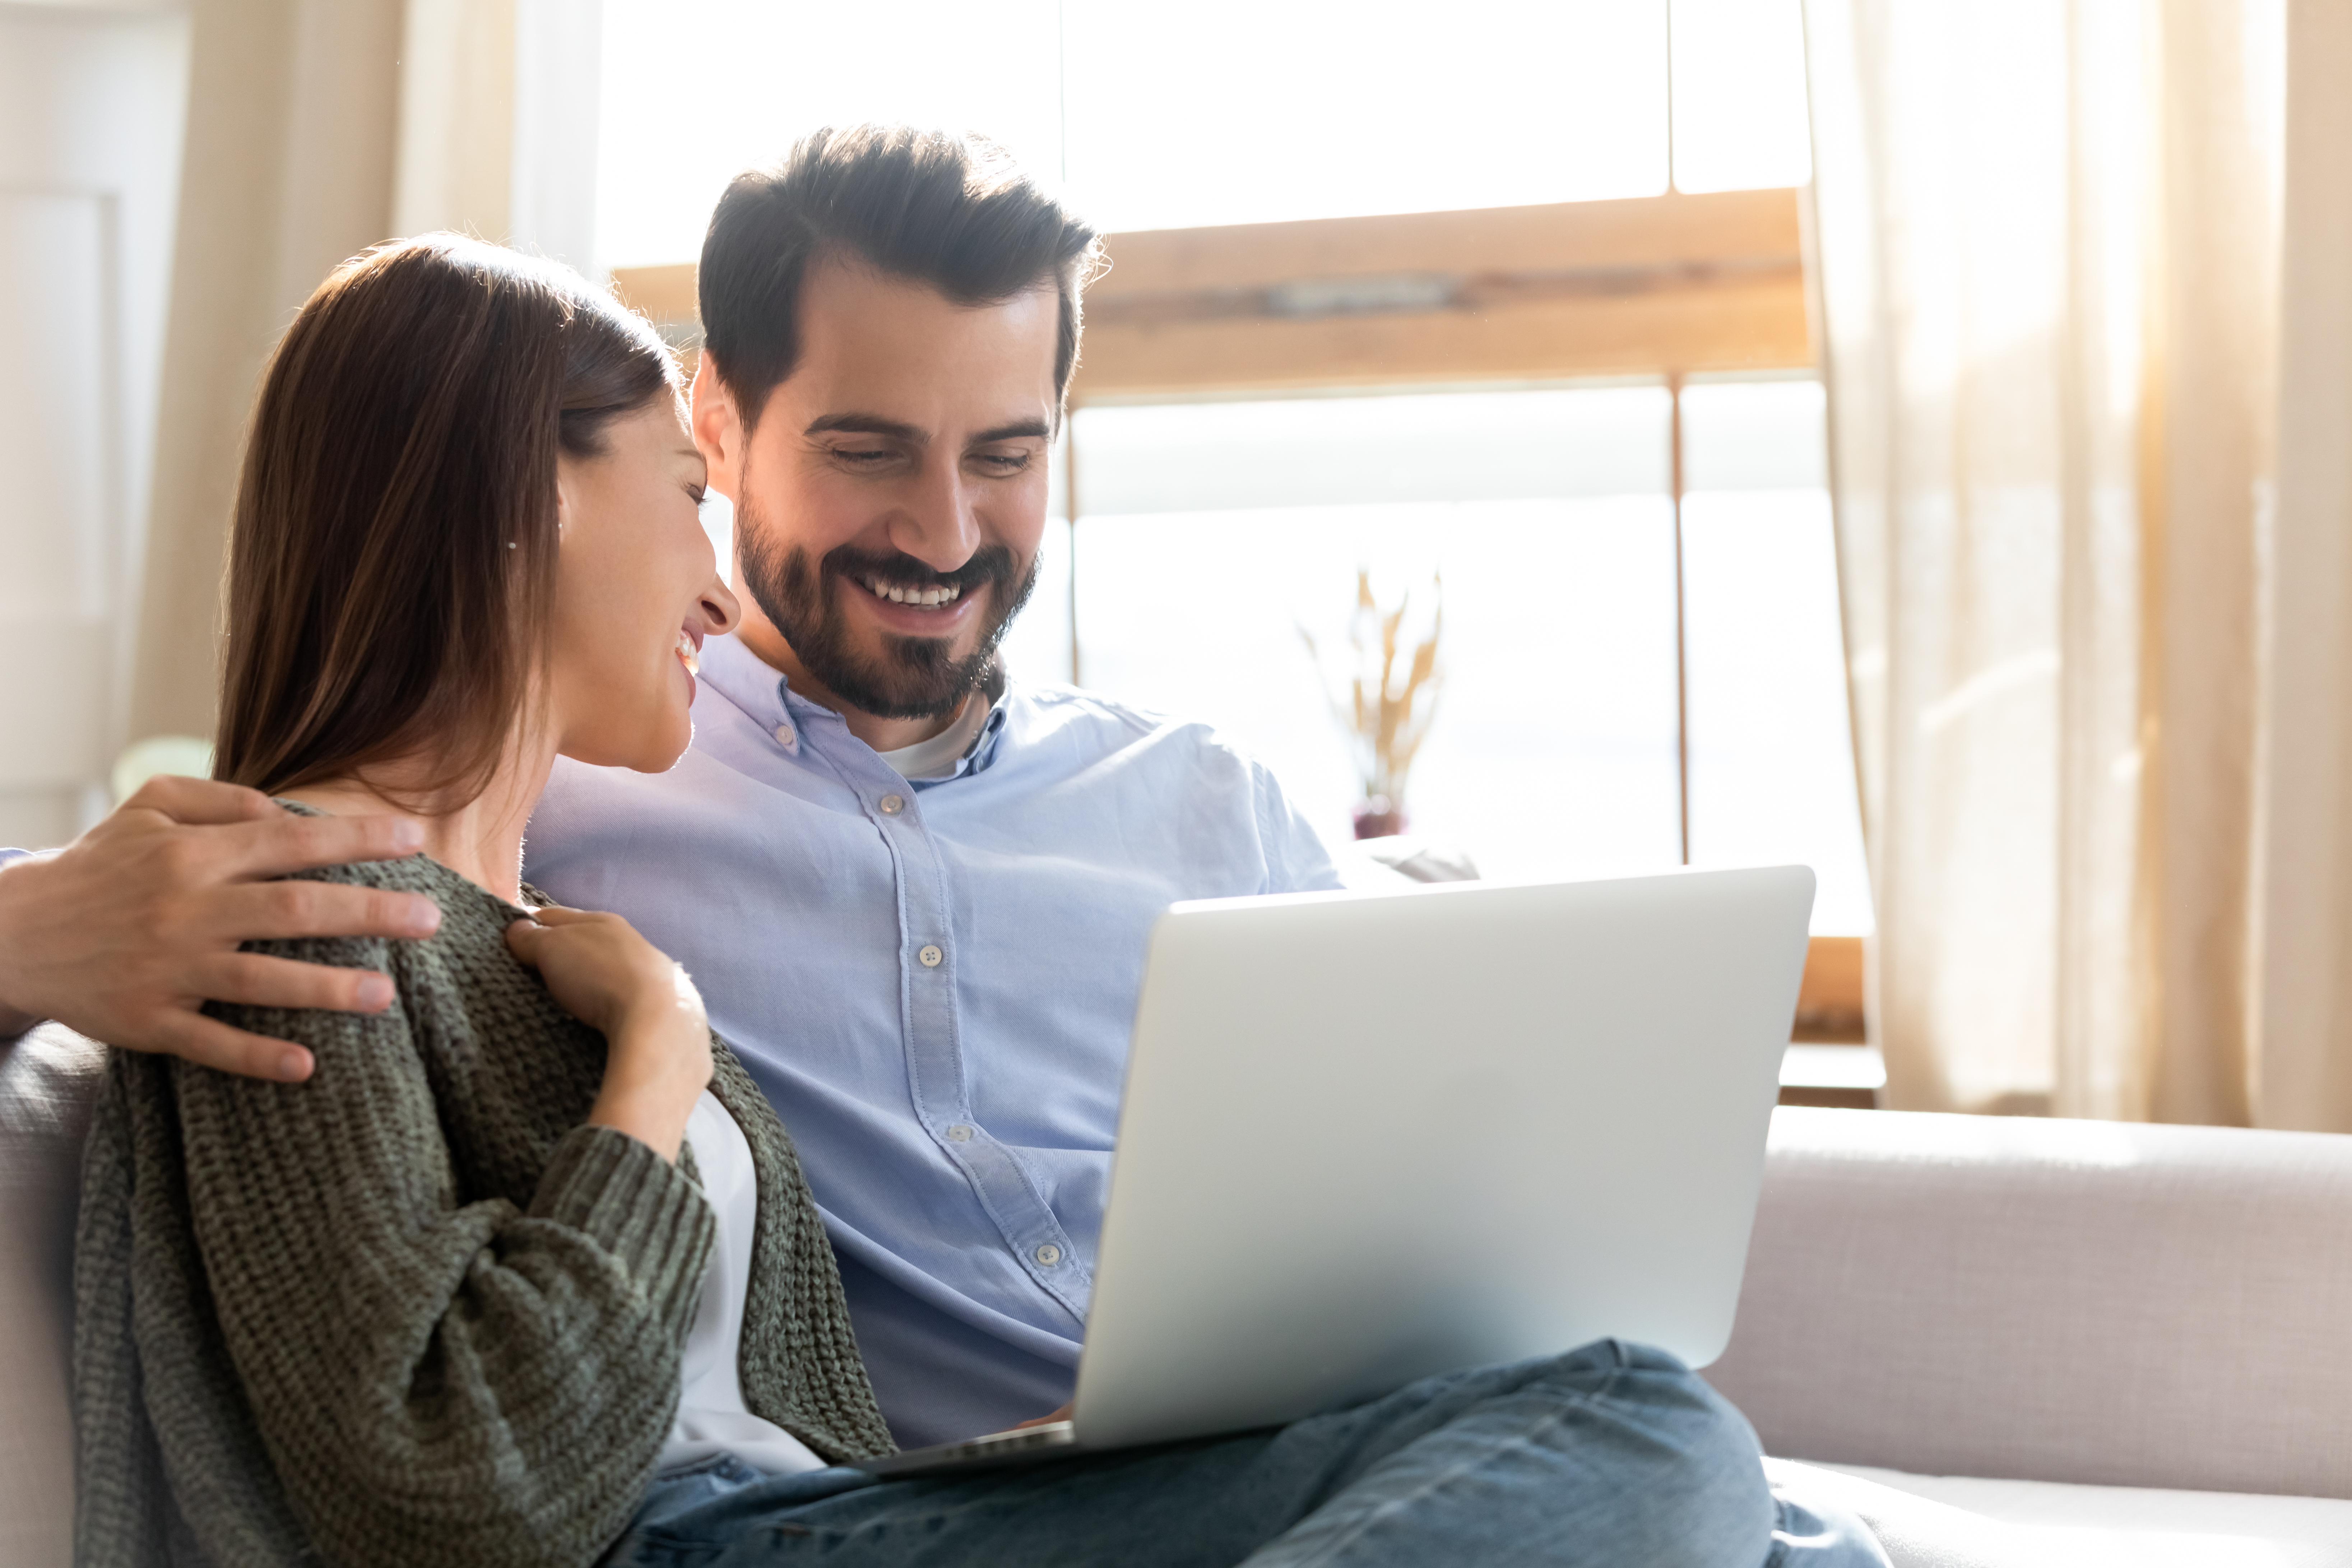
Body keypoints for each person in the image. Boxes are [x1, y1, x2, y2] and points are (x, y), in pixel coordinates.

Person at [71, 228, 1880, 1568]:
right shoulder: (297, 910)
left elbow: (765, 1418)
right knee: (1639, 1430)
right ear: (514, 506)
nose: (711, 589)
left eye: (1004, 450)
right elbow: (447, 1489)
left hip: (832, 1525)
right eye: (691, 496)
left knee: (1763, 1516)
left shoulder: (517, 919)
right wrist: (656, 1074)